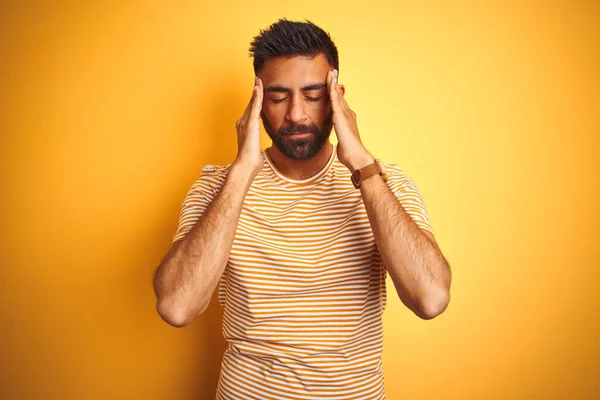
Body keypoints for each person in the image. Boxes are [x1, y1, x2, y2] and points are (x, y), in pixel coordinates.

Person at [153, 18, 452, 400]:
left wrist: (361, 163)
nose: (296, 115)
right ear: (257, 101)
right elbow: (177, 307)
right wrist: (243, 171)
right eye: (278, 97)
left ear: (337, 97)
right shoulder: (217, 187)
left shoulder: (383, 184)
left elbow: (431, 298)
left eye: (312, 95)